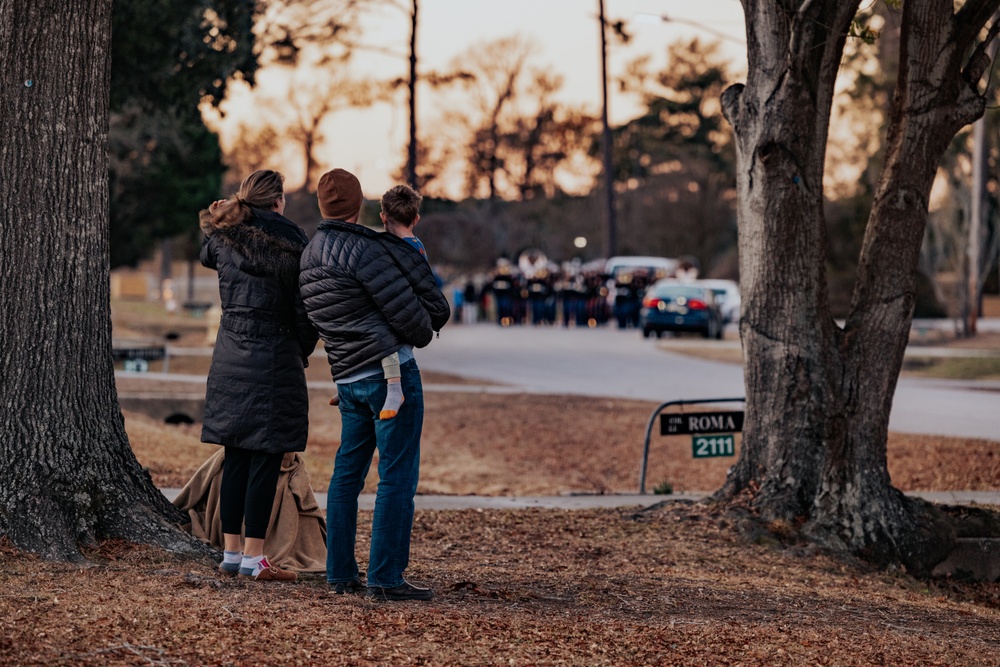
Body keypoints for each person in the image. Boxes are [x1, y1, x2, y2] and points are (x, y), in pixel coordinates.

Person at [299, 169, 450, 601]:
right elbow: (416, 323)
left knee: (346, 477)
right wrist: (421, 326)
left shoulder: (310, 256)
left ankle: (340, 574)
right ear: (360, 206)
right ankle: (385, 578)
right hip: (389, 376)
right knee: (396, 477)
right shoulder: (365, 251)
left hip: (347, 378)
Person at [198, 169, 318, 582]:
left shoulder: (225, 237)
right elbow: (305, 312)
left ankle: (231, 554)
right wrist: (299, 349)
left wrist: (218, 217)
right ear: (279, 201)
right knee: (265, 457)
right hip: (274, 354)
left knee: (236, 455)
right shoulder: (294, 243)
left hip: (230, 353)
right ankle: (255, 557)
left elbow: (205, 253)